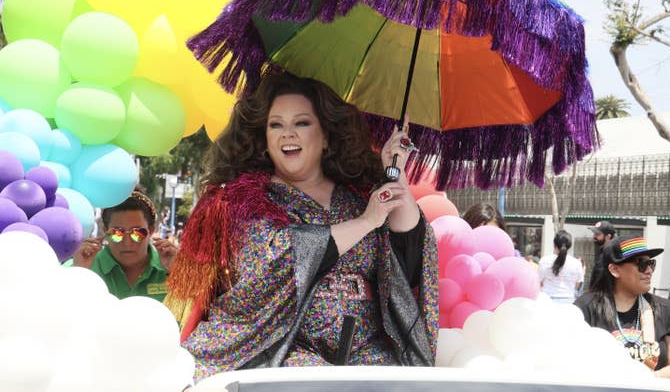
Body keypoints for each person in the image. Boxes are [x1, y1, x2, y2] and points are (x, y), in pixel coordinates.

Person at [164, 72, 438, 381]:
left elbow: (409, 260)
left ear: (325, 137)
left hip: (367, 352)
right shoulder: (243, 200)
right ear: (264, 140)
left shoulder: (357, 197)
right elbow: (276, 262)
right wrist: (365, 223)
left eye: (302, 123)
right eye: (276, 125)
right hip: (282, 351)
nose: (288, 134)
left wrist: (395, 172)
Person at [574, 236, 670, 378]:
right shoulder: (585, 308)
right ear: (615, 270)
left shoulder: (664, 309)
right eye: (641, 264)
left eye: (651, 264)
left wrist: (645, 379)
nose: (649, 270)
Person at [72, 190, 180, 302]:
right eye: (117, 233)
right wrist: (79, 273)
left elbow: (188, 314)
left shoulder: (169, 266)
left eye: (137, 233)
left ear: (151, 230)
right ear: (105, 231)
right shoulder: (84, 264)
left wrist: (177, 273)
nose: (127, 242)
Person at [538, 230, 583, 304]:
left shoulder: (545, 260)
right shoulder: (577, 263)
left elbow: (539, 281)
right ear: (569, 246)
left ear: (554, 245)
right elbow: (577, 284)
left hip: (547, 301)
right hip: (569, 301)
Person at [588, 220, 616, 289]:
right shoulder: (602, 252)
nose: (594, 237)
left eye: (598, 234)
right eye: (594, 234)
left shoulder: (613, 255)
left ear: (608, 236)